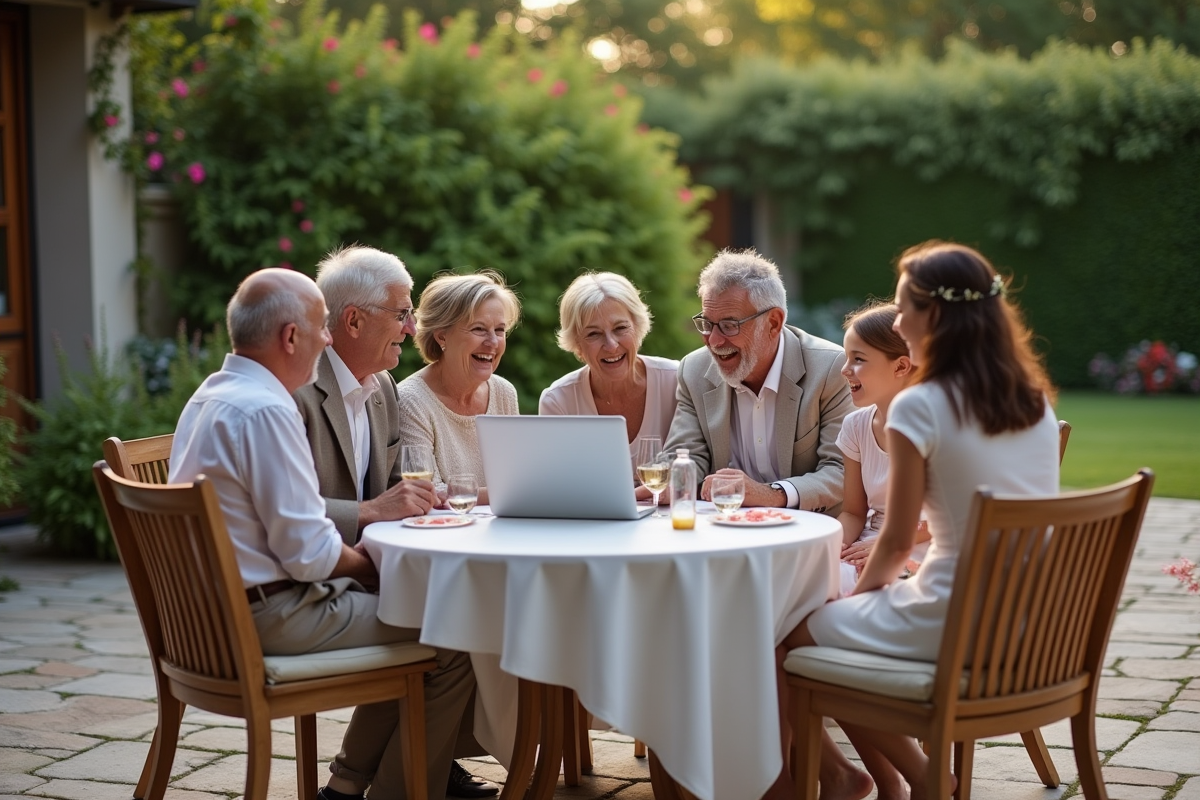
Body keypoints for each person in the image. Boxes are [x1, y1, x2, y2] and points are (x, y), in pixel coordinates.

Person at [169, 268, 478, 800]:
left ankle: (348, 786)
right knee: (456, 627)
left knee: (422, 609)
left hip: (206, 620)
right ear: (291, 337)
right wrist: (373, 566)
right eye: (320, 329)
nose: (328, 339)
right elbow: (310, 556)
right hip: (267, 617)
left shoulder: (212, 396)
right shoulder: (268, 410)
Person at [774, 241, 1061, 800]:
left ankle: (891, 775)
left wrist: (864, 605)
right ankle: (902, 775)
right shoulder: (1031, 400)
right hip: (1031, 623)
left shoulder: (918, 406)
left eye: (905, 307)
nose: (898, 319)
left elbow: (897, 539)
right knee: (820, 634)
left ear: (936, 316)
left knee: (786, 635)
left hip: (954, 619)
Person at [292, 246, 500, 799]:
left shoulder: (379, 388)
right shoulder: (295, 394)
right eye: (402, 314)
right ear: (353, 320)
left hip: (353, 570)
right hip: (303, 584)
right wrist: (368, 516)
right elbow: (286, 515)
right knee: (451, 629)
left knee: (443, 614)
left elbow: (396, 492)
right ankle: (400, 788)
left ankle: (347, 786)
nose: (412, 329)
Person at [664, 249, 853, 511]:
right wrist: (670, 482)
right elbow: (685, 456)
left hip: (809, 531)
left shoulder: (831, 369)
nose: (714, 342)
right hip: (724, 528)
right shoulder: (694, 370)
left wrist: (771, 495)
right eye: (707, 324)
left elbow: (842, 471)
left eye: (730, 325)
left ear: (773, 323)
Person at [395, 271, 521, 505]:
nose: (493, 342)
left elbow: (515, 479)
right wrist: (518, 492)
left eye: (500, 330)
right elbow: (429, 494)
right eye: (478, 329)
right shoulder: (411, 401)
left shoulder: (504, 393)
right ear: (442, 336)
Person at [834, 301, 929, 596]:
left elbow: (958, 516)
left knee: (824, 590)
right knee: (802, 578)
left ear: (901, 365)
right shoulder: (855, 426)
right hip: (868, 543)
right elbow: (852, 512)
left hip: (924, 547)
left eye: (858, 359)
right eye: (846, 358)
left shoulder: (938, 426)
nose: (844, 370)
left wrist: (887, 543)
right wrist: (834, 545)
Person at [539, 272, 678, 457]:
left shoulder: (676, 381)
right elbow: (556, 481)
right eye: (593, 334)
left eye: (620, 328)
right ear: (577, 344)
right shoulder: (558, 402)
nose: (611, 346)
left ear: (637, 328)